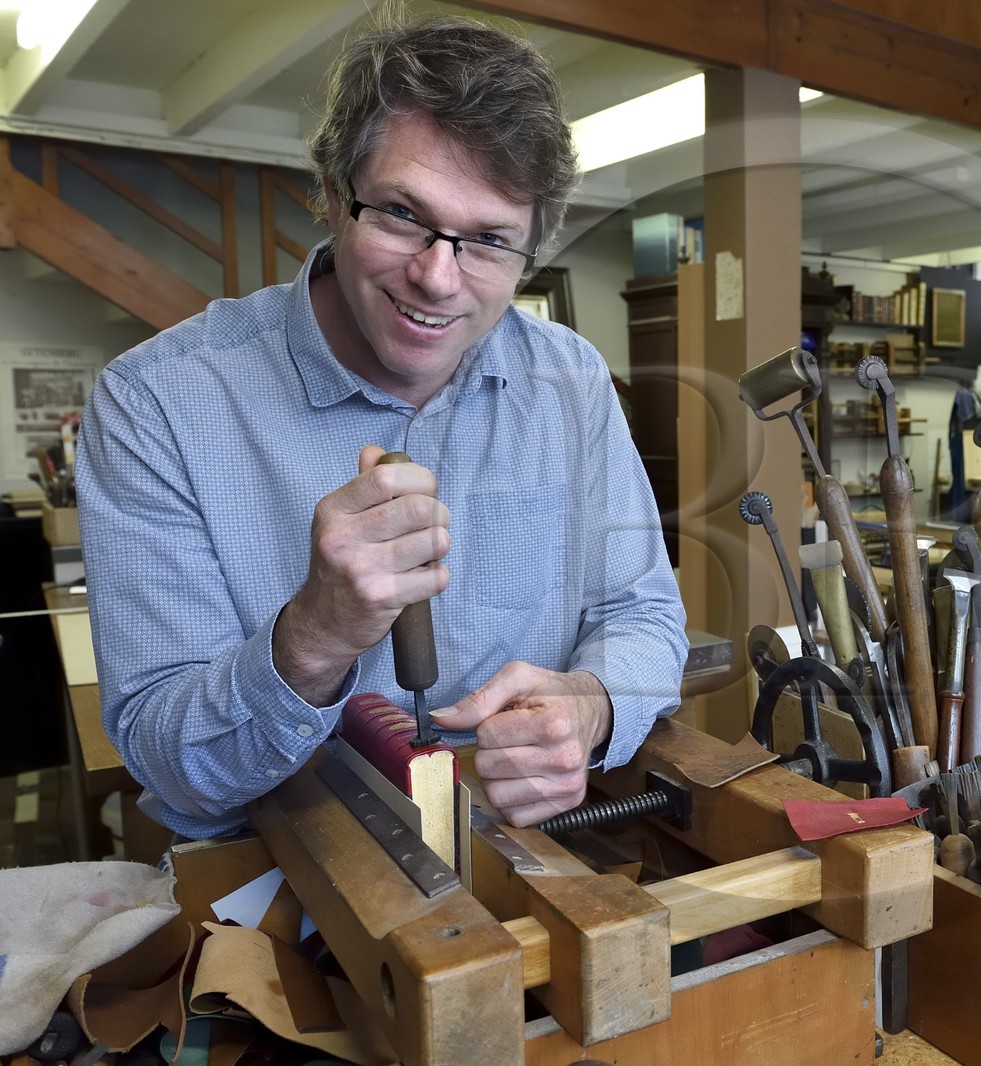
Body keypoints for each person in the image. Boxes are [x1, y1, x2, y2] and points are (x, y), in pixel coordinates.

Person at [75, 12, 688, 839]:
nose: (438, 277)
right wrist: (314, 638)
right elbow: (168, 758)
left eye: (488, 241)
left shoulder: (569, 379)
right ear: (333, 195)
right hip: (280, 880)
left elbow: (643, 614)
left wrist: (593, 703)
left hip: (529, 850)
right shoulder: (157, 404)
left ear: (530, 249)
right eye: (402, 213)